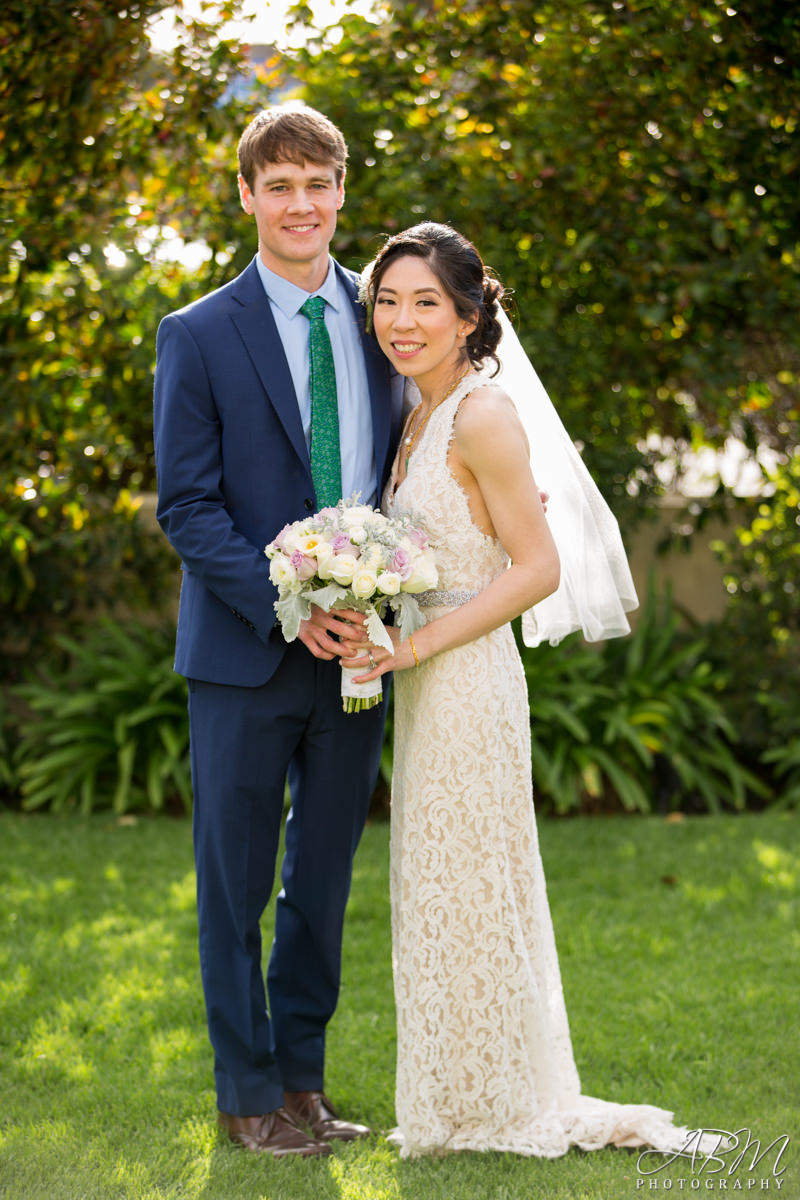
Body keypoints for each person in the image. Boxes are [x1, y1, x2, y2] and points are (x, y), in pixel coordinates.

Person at [346, 222, 704, 1158]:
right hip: (428, 680)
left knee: (471, 883)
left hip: (467, 682)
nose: (402, 319)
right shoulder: (415, 412)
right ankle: (465, 1096)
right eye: (389, 299)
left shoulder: (482, 415)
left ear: (470, 317)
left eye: (426, 302)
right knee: (440, 887)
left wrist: (413, 647)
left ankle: (495, 1105)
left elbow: (535, 567)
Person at [152, 105, 404, 1158]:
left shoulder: (390, 320)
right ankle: (243, 1093)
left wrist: (373, 600)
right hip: (247, 657)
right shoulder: (198, 333)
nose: (300, 205)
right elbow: (188, 508)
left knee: (323, 884)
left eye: (318, 183)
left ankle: (301, 1082)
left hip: (358, 654)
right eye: (279, 186)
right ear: (247, 196)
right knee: (237, 885)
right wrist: (287, 606)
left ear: (342, 191)